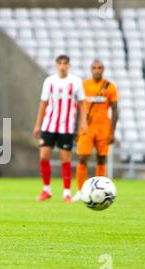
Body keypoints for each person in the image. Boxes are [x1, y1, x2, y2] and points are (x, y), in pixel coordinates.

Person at [33, 54, 87, 202]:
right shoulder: (49, 81)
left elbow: (82, 103)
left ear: (69, 65)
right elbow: (43, 103)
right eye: (60, 63)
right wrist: (38, 124)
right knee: (44, 156)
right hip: (49, 125)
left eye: (65, 63)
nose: (63, 66)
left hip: (67, 127)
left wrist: (84, 123)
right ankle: (46, 190)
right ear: (56, 65)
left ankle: (66, 193)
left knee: (65, 159)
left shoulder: (76, 82)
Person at [73, 60, 118, 202]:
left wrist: (112, 131)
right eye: (94, 68)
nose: (97, 70)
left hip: (103, 126)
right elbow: (78, 108)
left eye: (99, 68)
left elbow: (115, 109)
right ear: (91, 69)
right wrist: (75, 128)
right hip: (86, 127)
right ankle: (80, 191)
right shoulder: (84, 85)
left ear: (103, 70)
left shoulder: (110, 87)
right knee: (82, 157)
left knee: (101, 158)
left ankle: (101, 190)